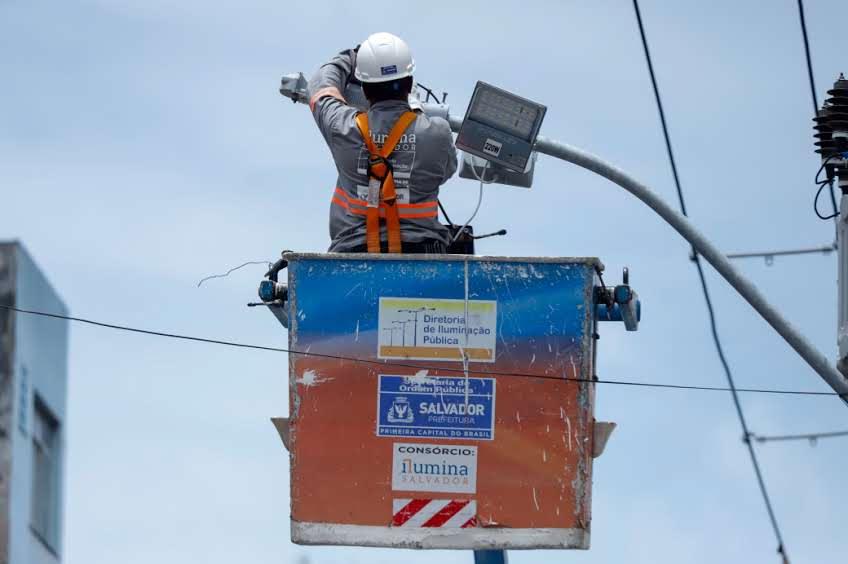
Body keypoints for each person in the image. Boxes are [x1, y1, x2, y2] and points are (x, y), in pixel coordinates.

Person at [307, 32, 457, 253]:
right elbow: (444, 173)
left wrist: (351, 57)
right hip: (423, 254)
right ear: (410, 83)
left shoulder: (342, 127)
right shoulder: (438, 133)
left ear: (365, 89)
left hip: (354, 253)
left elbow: (321, 87)